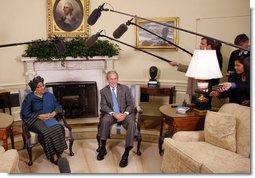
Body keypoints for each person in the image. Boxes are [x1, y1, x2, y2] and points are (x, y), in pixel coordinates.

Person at [21, 76, 68, 166]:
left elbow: (58, 106)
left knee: (59, 127)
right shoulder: (29, 98)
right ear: (35, 89)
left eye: (43, 85)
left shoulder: (49, 96)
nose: (43, 87)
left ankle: (58, 151)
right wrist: (39, 116)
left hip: (49, 118)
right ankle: (54, 156)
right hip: (35, 120)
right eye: (40, 86)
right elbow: (25, 113)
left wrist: (54, 112)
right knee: (46, 132)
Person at [97, 71, 136, 168]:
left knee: (132, 124)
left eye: (115, 78)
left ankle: (126, 154)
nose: (113, 81)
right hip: (112, 114)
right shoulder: (103, 91)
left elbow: (131, 104)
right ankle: (102, 148)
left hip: (124, 114)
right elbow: (103, 106)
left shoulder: (125, 89)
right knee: (105, 120)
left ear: (117, 79)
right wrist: (113, 113)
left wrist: (125, 114)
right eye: (111, 79)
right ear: (107, 80)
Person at [169, 37, 223, 102]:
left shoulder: (214, 57)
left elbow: (199, 71)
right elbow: (193, 69)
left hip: (204, 89)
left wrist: (177, 64)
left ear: (209, 46)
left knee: (202, 107)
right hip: (195, 88)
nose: (200, 45)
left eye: (202, 44)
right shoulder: (203, 55)